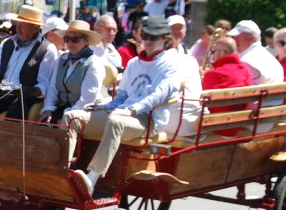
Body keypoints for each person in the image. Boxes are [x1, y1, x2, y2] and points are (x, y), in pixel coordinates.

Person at [64, 16, 198, 194]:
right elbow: (123, 95)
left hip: (149, 119)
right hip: (123, 112)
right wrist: (107, 106)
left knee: (116, 122)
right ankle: (63, 171)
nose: (148, 41)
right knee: (71, 117)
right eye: (146, 36)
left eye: (153, 37)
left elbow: (159, 96)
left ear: (165, 39)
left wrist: (130, 109)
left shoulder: (172, 64)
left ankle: (91, 178)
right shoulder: (134, 63)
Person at [0, 4, 58, 119]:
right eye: (17, 24)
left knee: (13, 118)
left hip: (24, 98)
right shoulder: (6, 43)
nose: (18, 28)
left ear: (35, 28)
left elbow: (45, 82)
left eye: (23, 25)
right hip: (0, 93)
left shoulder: (47, 48)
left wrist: (32, 91)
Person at [39, 20, 111, 124]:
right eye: (67, 39)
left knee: (60, 124)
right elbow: (52, 88)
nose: (69, 43)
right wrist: (48, 109)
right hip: (64, 107)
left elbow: (88, 98)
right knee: (44, 121)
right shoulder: (61, 59)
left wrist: (66, 116)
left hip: (85, 110)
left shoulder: (94, 62)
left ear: (87, 41)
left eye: (75, 39)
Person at [202, 37, 254, 136]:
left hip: (217, 127)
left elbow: (198, 100)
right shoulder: (246, 70)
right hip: (238, 124)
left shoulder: (215, 74)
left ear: (222, 53)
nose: (212, 55)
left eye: (214, 51)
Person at [227, 20, 284, 85]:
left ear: (252, 38)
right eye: (234, 37)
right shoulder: (271, 59)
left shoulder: (245, 61)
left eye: (238, 37)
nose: (234, 40)